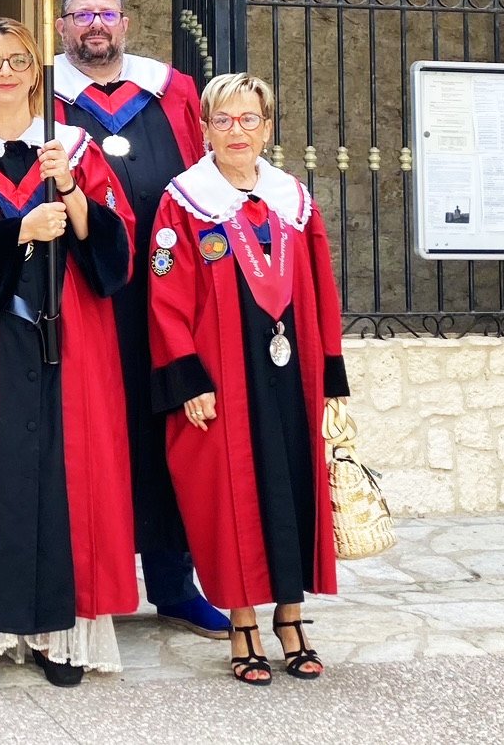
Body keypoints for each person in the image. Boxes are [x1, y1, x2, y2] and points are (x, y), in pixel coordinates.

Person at [0, 18, 137, 693]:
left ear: (36, 71)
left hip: (69, 337)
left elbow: (113, 242)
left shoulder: (71, 147)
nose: (5, 71)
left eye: (17, 60)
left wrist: (69, 190)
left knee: (70, 478)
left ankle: (56, 633)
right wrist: (17, 231)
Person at [147, 72, 350, 687]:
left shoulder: (294, 199)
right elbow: (166, 295)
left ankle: (291, 619)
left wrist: (332, 378)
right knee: (226, 497)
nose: (238, 131)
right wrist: (188, 380)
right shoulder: (184, 200)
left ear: (267, 126)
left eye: (249, 120)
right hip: (221, 375)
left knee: (290, 487)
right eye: (224, 121)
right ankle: (242, 625)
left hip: (292, 376)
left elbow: (321, 287)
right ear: (203, 128)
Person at [51, 0, 229, 641]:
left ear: (125, 22)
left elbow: (206, 176)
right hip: (85, 293)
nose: (95, 24)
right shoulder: (47, 96)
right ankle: (80, 579)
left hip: (165, 293)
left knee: (168, 431)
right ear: (63, 25)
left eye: (106, 13)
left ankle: (175, 584)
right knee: (89, 435)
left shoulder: (171, 90)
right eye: (81, 15)